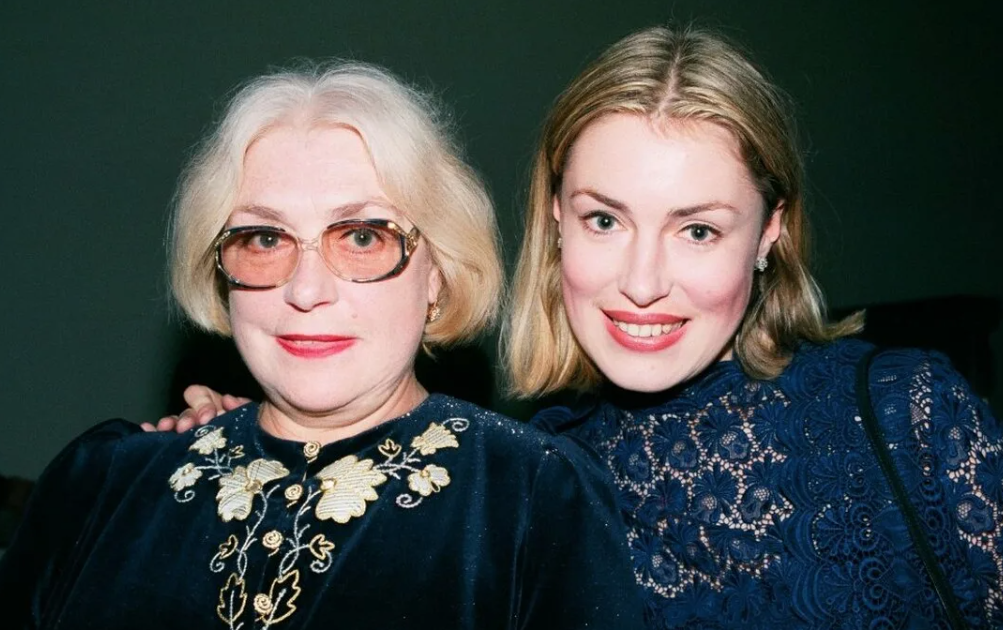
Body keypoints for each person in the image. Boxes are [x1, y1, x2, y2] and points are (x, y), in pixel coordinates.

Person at [160, 26, 1003, 629]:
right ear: (558, 219)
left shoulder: (905, 413)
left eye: (697, 229)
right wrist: (253, 444)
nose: (641, 283)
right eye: (605, 220)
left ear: (768, 234)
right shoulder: (520, 482)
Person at [0, 61, 643, 629]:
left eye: (362, 237)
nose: (306, 291)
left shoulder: (535, 497)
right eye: (264, 239)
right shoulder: (102, 485)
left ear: (438, 271)